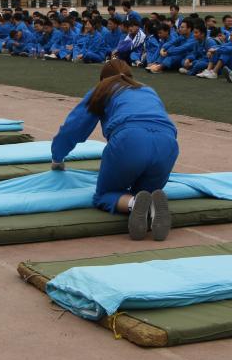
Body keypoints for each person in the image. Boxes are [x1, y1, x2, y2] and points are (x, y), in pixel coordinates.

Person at [51, 60, 179, 241]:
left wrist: (57, 157)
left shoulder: (102, 90)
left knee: (105, 195)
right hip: (168, 144)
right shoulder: (148, 90)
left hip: (130, 141)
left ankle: (134, 203)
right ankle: (151, 206)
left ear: (102, 79)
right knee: (145, 192)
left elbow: (74, 127)